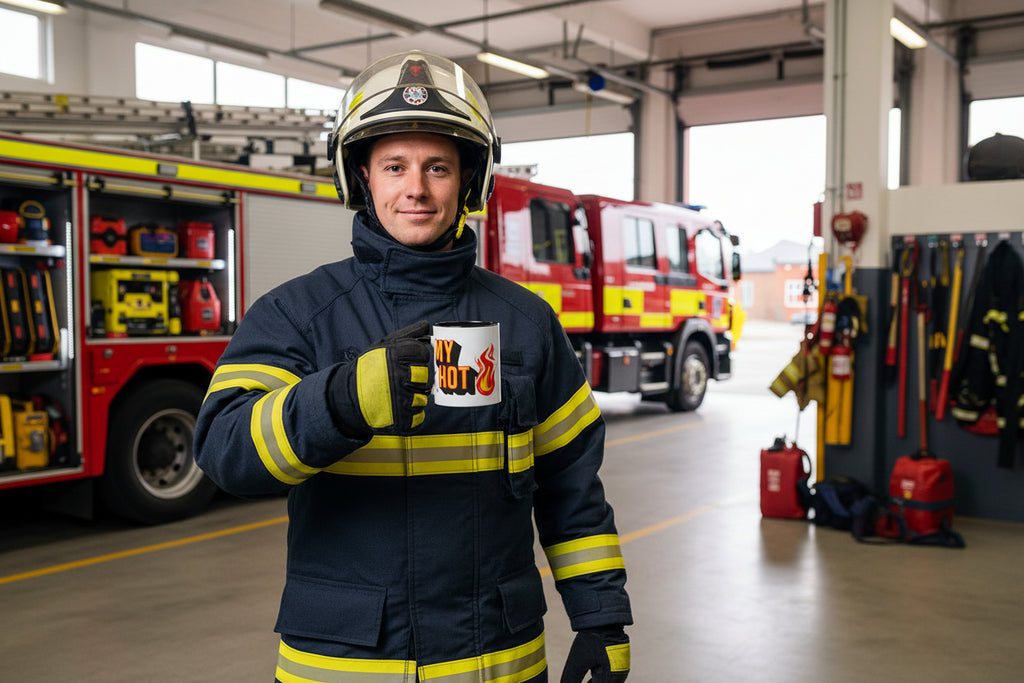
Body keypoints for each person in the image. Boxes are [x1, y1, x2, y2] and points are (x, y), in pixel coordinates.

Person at [195, 50, 632, 683]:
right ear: (362, 178)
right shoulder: (298, 316)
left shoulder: (528, 325)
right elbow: (225, 450)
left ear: (470, 180)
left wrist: (600, 617)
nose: (416, 189)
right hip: (345, 665)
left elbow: (572, 490)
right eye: (394, 166)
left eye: (437, 168)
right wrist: (341, 402)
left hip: (498, 664)